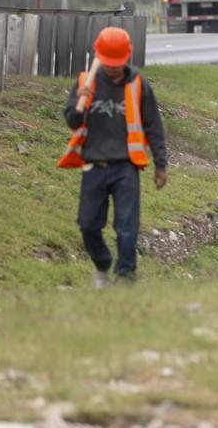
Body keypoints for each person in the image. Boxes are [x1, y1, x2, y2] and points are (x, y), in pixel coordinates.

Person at [58, 26, 168, 288]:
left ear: (127, 57)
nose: (113, 69)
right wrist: (78, 103)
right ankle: (103, 265)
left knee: (127, 227)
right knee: (88, 225)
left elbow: (154, 126)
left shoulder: (138, 85)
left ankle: (126, 276)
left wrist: (161, 165)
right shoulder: (87, 81)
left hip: (126, 167)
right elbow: (73, 123)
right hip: (93, 166)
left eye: (117, 64)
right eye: (109, 63)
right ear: (100, 57)